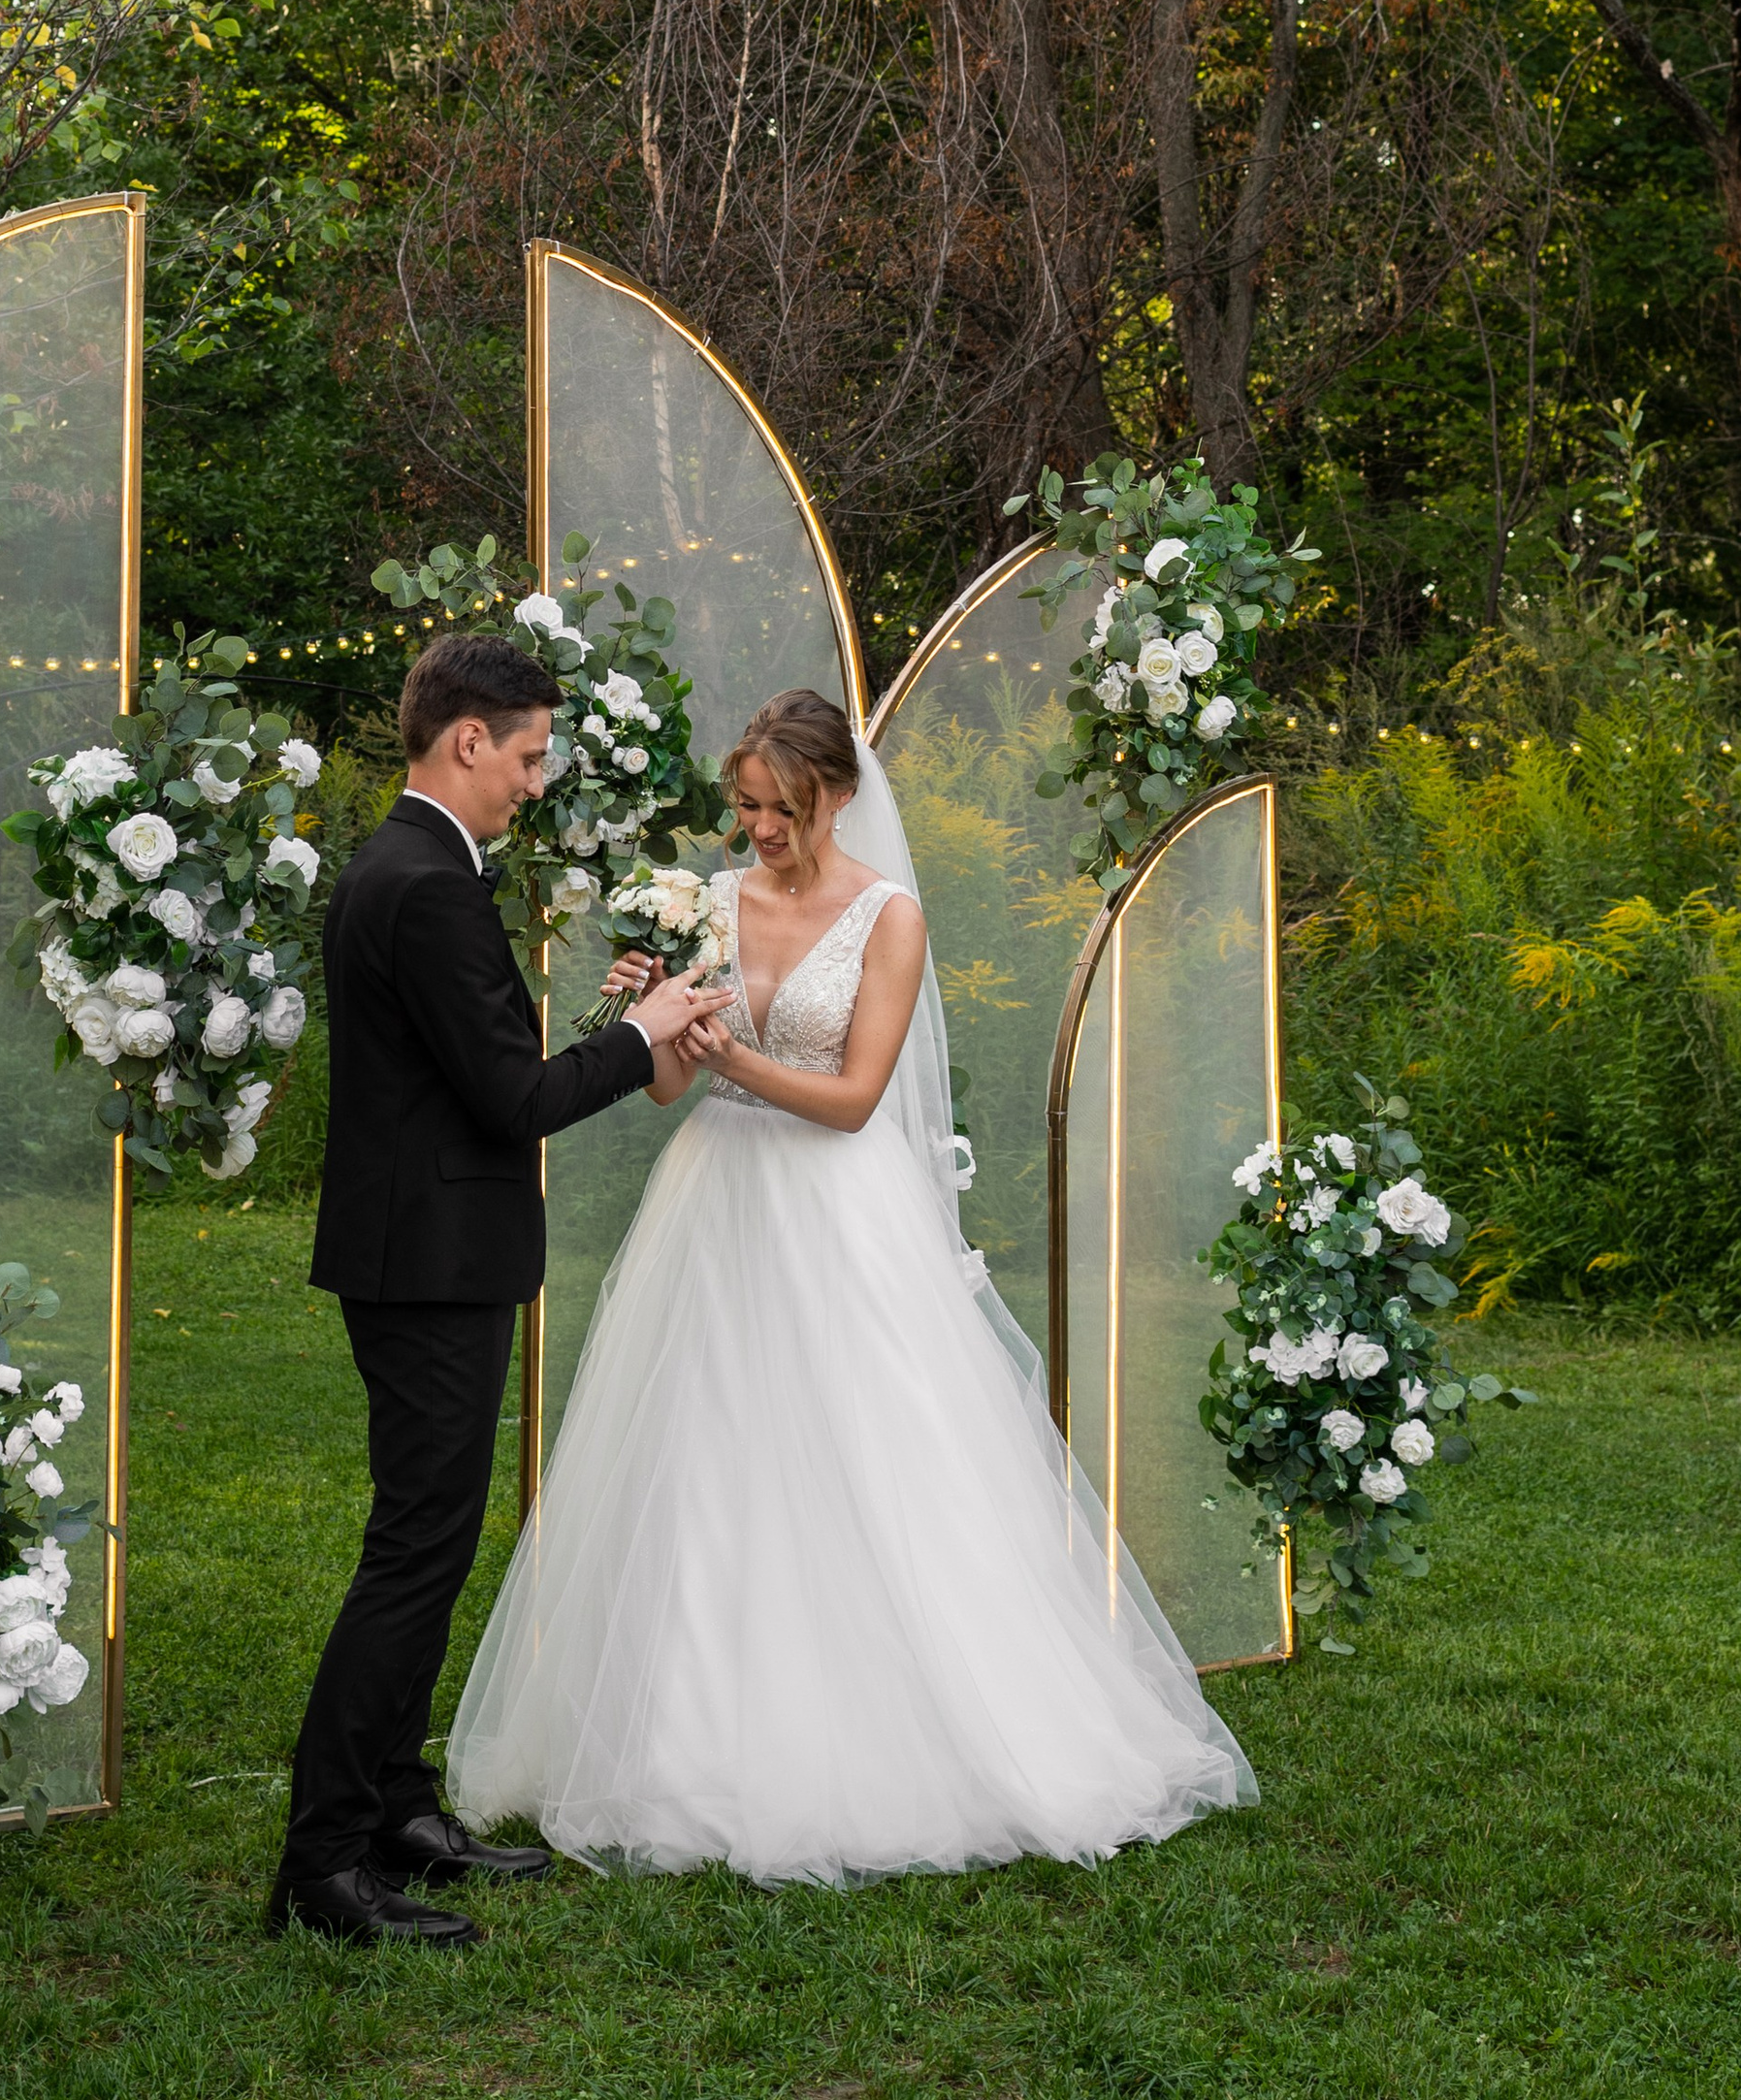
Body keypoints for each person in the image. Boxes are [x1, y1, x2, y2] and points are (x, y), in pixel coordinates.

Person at [443, 686, 1258, 1885]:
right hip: (712, 1201)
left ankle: (915, 1727)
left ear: (832, 795)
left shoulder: (888, 917)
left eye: (779, 807)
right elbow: (673, 1091)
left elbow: (856, 1099)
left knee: (872, 1450)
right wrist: (653, 1022)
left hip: (837, 1212)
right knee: (703, 1454)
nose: (758, 829)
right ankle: (686, 1737)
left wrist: (737, 1057)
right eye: (746, 806)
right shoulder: (709, 900)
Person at [269, 629, 730, 1947]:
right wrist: (638, 1038)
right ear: (467, 737)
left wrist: (613, 1028)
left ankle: (399, 1806)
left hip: (420, 1249)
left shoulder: (410, 864)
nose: (536, 779)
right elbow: (511, 1098)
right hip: (427, 1265)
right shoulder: (427, 883)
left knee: (434, 1539)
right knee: (414, 1553)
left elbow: (475, 1074)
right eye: (528, 753)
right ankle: (324, 1861)